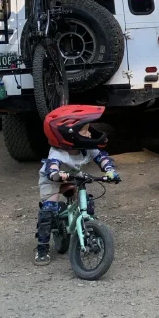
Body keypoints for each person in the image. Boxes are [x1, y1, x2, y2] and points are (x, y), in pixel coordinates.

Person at [35, 105, 121, 265]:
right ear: (70, 135)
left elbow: (101, 158)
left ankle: (89, 229)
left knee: (86, 203)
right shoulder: (58, 152)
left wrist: (110, 171)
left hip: (74, 177)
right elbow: (52, 166)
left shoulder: (86, 147)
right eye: (85, 131)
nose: (89, 134)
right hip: (52, 180)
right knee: (49, 209)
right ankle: (42, 247)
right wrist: (55, 173)